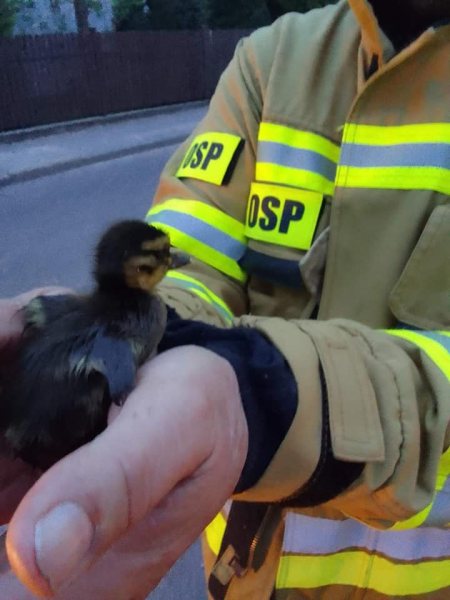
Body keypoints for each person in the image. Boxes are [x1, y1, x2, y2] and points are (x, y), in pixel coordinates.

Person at [0, 0, 449, 598]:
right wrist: (157, 346)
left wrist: (260, 401)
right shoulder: (274, 62)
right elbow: (191, 264)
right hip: (243, 578)